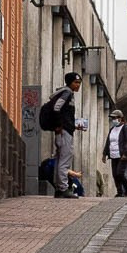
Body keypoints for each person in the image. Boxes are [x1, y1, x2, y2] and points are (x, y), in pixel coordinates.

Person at [46, 70, 85, 199]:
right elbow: (57, 108)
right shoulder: (67, 93)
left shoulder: (65, 93)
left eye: (79, 83)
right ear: (70, 83)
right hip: (64, 132)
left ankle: (59, 188)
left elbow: (62, 112)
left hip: (64, 130)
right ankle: (63, 188)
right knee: (65, 159)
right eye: (76, 82)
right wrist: (59, 125)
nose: (78, 85)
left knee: (59, 159)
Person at [106, 108, 127, 197]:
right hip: (113, 155)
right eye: (112, 118)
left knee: (120, 173)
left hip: (123, 155)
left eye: (115, 118)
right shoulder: (112, 129)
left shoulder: (126, 128)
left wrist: (126, 153)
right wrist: (105, 153)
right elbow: (108, 141)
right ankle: (119, 192)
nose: (114, 120)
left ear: (121, 118)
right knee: (115, 174)